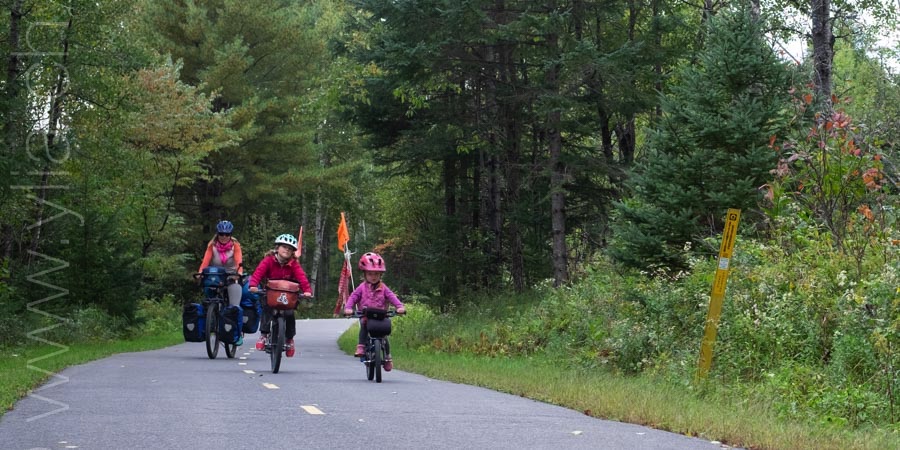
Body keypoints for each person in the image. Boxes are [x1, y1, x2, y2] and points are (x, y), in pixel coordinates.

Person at [249, 233, 312, 357]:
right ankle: (264, 335)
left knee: (289, 314)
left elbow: (302, 278)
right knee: (267, 309)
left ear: (292, 252)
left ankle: (289, 340)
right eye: (284, 247)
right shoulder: (268, 260)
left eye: (290, 249)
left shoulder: (294, 264)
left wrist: (307, 290)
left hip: (288, 294)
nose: (287, 250)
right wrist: (253, 285)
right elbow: (258, 273)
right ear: (277, 248)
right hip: (271, 293)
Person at [343, 252, 405, 371]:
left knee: (384, 336)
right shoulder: (362, 287)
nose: (373, 277)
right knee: (364, 325)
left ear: (380, 274)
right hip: (366, 315)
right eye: (370, 274)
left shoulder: (383, 287)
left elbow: (392, 297)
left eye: (376, 274)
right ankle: (361, 346)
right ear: (365, 274)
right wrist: (348, 308)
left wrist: (399, 307)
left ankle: (387, 357)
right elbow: (353, 297)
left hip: (381, 315)